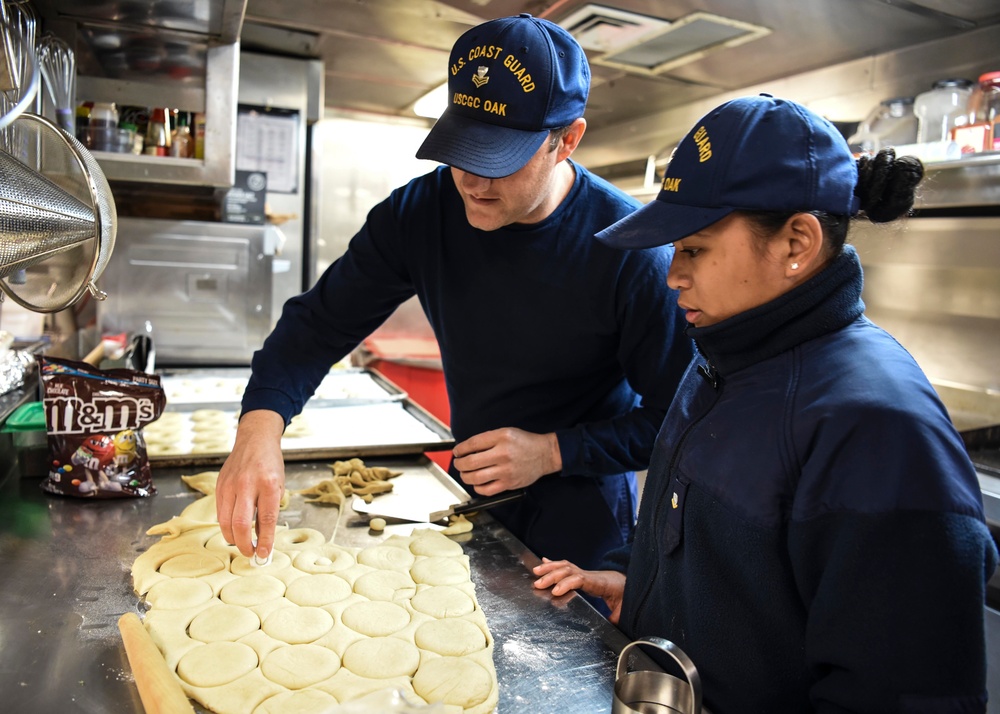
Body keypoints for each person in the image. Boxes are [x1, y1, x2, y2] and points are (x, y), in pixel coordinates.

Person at [532, 94, 998, 711]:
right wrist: (639, 582)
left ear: (795, 242)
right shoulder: (722, 357)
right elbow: (707, 541)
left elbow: (905, 694)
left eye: (693, 249)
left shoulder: (875, 426)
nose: (672, 275)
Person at [215, 14, 693, 572]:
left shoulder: (629, 251)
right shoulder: (418, 214)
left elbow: (679, 418)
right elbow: (320, 324)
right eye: (463, 149)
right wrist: (260, 425)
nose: (473, 180)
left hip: (583, 511)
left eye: (501, 160)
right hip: (473, 493)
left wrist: (554, 451)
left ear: (566, 140)